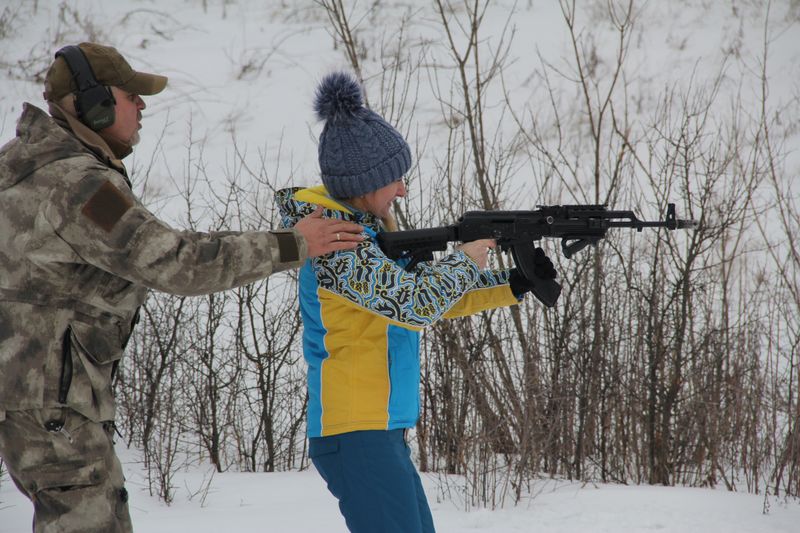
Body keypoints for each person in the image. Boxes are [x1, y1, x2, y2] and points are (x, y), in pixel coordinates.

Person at [0, 43, 364, 533]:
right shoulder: (77, 186)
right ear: (94, 103)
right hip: (51, 403)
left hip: (29, 396)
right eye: (132, 95)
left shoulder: (22, 166)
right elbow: (175, 261)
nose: (142, 106)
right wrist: (295, 244)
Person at [276, 71, 556, 533]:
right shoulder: (337, 244)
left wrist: (513, 284)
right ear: (366, 184)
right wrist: (469, 256)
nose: (404, 189)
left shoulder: (366, 237)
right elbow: (415, 303)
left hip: (378, 430)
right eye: (395, 179)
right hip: (356, 432)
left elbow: (426, 298)